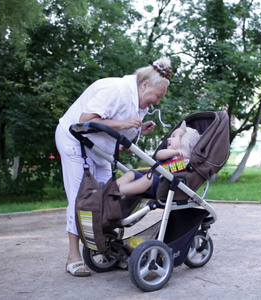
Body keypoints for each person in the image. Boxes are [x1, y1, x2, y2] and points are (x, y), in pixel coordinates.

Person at [55, 57, 173, 277]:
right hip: (75, 141)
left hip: (99, 149)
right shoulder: (116, 89)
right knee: (82, 198)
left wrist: (139, 130)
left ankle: (101, 247)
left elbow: (120, 128)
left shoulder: (139, 101)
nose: (157, 102)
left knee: (107, 196)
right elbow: (86, 120)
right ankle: (73, 256)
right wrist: (124, 124)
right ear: (145, 85)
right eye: (158, 96)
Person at [116, 121, 200, 197]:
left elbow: (178, 172)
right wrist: (174, 152)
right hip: (153, 179)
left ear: (184, 142)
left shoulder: (187, 162)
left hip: (163, 187)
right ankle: (110, 188)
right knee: (132, 173)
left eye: (173, 137)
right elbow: (158, 155)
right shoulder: (169, 153)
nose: (168, 139)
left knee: (149, 178)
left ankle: (117, 191)